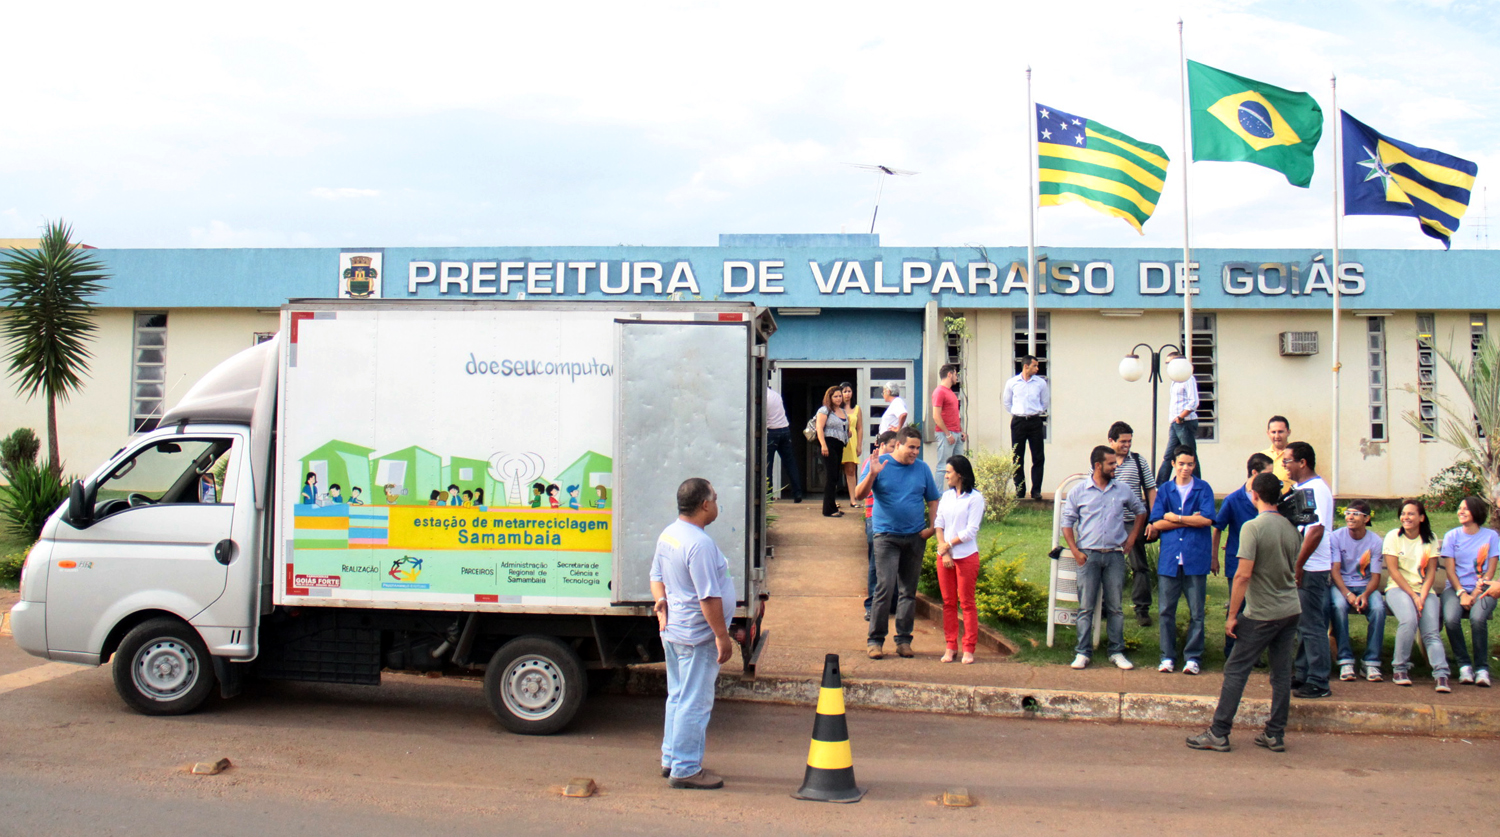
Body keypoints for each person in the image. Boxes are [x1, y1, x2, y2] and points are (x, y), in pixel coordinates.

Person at [1186, 473, 1303, 753]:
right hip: (1290, 609)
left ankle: (1219, 732)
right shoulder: (1290, 527)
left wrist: (1232, 614)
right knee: (1281, 673)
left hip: (1262, 612)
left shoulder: (1253, 527)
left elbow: (1242, 575)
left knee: (1236, 669)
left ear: (1255, 496)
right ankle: (1275, 734)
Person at [650, 477, 735, 790]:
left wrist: (661, 602)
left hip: (674, 632)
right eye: (714, 497)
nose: (716, 502)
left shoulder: (670, 534)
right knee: (695, 703)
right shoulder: (698, 544)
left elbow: (655, 577)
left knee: (678, 696)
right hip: (696, 637)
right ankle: (685, 769)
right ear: (704, 504)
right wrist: (722, 636)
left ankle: (671, 757)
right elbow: (708, 597)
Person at [854, 426, 941, 660]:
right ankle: (875, 641)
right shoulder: (879, 463)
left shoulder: (922, 469)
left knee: (908, 591)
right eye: (911, 447)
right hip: (886, 537)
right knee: (884, 588)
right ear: (899, 444)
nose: (915, 452)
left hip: (914, 537)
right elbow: (858, 495)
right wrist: (872, 474)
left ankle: (904, 640)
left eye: (918, 448)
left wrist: (931, 527)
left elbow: (933, 499)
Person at [1061, 445, 1145, 670]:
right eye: (1111, 463)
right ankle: (1082, 652)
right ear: (1098, 465)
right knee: (1086, 606)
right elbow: (1066, 523)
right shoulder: (1079, 491)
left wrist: (1132, 538)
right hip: (1088, 556)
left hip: (1115, 556)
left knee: (1116, 607)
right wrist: (1076, 551)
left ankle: (1116, 651)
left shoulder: (1122, 489)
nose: (1115, 466)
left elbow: (1140, 510)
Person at [1149, 448, 1215, 675]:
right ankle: (1167, 656)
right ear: (1174, 464)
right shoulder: (1165, 489)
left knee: (1196, 611)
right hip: (1170, 559)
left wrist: (1175, 518)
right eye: (1181, 464)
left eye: (1189, 464)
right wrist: (1190, 520)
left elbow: (1206, 520)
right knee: (1166, 610)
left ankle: (1193, 657)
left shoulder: (1203, 488)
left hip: (1195, 558)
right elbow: (1157, 523)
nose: (1185, 468)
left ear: (1194, 465)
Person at [1283, 441, 1334, 699]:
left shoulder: (1316, 489)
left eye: (1288, 461)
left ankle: (1319, 680)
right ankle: (1303, 673)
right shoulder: (1304, 488)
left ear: (1302, 462)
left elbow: (1315, 530)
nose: (1285, 467)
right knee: (1303, 622)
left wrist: (1298, 565)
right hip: (1306, 565)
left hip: (1312, 568)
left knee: (1312, 624)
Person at [1382, 499, 1450, 691]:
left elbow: (1431, 572)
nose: (1406, 517)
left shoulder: (1430, 538)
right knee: (1409, 620)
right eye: (1403, 514)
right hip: (1398, 589)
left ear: (1421, 517)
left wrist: (1423, 595)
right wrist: (1413, 596)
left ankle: (1441, 674)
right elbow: (1393, 571)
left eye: (1411, 514)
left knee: (1431, 631)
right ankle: (1399, 668)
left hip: (1424, 591)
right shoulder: (1393, 536)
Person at [1213, 453, 1275, 661]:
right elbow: (1218, 527)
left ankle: (1254, 653)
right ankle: (1232, 651)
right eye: (1267, 474)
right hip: (1237, 561)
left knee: (1258, 608)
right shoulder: (1233, 499)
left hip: (1263, 562)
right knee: (1237, 605)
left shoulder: (1270, 500)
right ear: (1254, 473)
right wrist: (1214, 557)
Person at [1440, 496, 1500, 687]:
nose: (1461, 512)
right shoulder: (1452, 536)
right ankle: (1464, 665)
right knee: (1450, 619)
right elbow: (1450, 570)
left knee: (1478, 618)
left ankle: (1482, 668)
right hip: (1456, 589)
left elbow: (1490, 570)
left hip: (1484, 589)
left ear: (1476, 511)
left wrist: (1475, 593)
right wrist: (1461, 593)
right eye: (1459, 508)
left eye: (1465, 509)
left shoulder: (1491, 536)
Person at [1328, 500, 1387, 682]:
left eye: (1355, 514)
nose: (1350, 517)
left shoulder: (1376, 541)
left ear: (1366, 518)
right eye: (1347, 513)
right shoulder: (1336, 537)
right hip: (1341, 585)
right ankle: (1345, 659)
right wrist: (1348, 594)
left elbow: (1375, 577)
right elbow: (1335, 571)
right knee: (1338, 606)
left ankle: (1371, 662)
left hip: (1365, 586)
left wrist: (1365, 595)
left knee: (1378, 608)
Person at [935, 454, 985, 665]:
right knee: (948, 602)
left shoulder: (975, 498)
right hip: (945, 556)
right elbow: (939, 523)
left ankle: (969, 647)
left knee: (966, 602)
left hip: (966, 556)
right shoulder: (946, 497)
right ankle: (950, 645)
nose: (946, 475)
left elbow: (970, 531)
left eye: (949, 472)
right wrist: (944, 550)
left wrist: (949, 545)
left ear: (960, 474)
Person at [1108, 421, 1157, 627]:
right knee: (1106, 564)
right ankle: (1106, 606)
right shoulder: (1103, 461)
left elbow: (1151, 489)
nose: (1127, 445)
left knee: (1139, 565)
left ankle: (1142, 608)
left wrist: (1153, 520)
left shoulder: (1138, 461)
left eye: (1129, 441)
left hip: (1133, 522)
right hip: (1109, 523)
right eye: (1123, 441)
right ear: (1111, 441)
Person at [860, 430, 899, 621]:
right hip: (874, 518)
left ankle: (892, 604)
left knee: (896, 563)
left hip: (895, 521)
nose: (894, 450)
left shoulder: (899, 464)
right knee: (876, 563)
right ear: (881, 445)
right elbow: (860, 492)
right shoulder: (871, 463)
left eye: (896, 446)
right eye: (892, 446)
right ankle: (872, 605)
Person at [1002, 355, 1049, 501]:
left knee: (1038, 457)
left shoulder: (1040, 383)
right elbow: (1007, 402)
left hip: (1034, 421)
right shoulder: (1012, 383)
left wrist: (1035, 412)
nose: (1037, 368)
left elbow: (1045, 402)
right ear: (1026, 366)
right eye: (1034, 365)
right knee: (1017, 457)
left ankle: (1036, 490)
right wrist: (1018, 414)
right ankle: (1020, 490)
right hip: (1018, 422)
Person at [815, 386, 850, 518]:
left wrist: (848, 433)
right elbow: (819, 427)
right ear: (829, 397)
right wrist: (823, 445)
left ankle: (833, 506)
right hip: (828, 444)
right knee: (831, 476)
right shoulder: (824, 410)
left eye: (840, 396)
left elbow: (845, 427)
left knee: (835, 476)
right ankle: (827, 509)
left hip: (839, 445)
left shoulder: (843, 411)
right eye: (835, 396)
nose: (838, 398)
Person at [765, 384, 803, 503]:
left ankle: (768, 494)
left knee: (767, 465)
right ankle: (797, 493)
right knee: (790, 462)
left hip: (771, 431)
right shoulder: (776, 395)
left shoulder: (763, 397)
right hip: (784, 429)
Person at [1165, 352, 1200, 478]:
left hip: (1184, 422)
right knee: (1169, 456)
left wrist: (1181, 417)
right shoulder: (1175, 380)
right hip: (1176, 423)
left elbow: (1193, 402)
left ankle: (1196, 484)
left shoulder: (1188, 378)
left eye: (1170, 363)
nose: (1168, 366)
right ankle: (1159, 485)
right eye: (1166, 363)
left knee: (1190, 455)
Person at [932, 364, 966, 466]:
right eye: (955, 374)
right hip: (945, 434)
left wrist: (961, 431)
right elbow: (936, 416)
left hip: (956, 433)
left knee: (958, 466)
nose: (957, 377)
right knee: (943, 465)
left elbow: (954, 414)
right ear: (949, 374)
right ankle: (938, 483)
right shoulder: (939, 391)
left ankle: (956, 483)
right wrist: (948, 434)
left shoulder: (950, 392)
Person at [840, 382, 863, 507]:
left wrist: (859, 445)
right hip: (839, 440)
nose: (847, 394)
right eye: (844, 391)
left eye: (849, 391)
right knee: (834, 471)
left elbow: (859, 428)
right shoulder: (836, 408)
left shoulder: (857, 408)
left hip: (851, 441)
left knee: (851, 470)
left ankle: (853, 500)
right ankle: (832, 500)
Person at [1260, 416, 1294, 494]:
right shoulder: (1262, 456)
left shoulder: (1295, 455)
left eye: (1280, 432)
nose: (1277, 436)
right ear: (1268, 433)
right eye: (1273, 432)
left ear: (1288, 432)